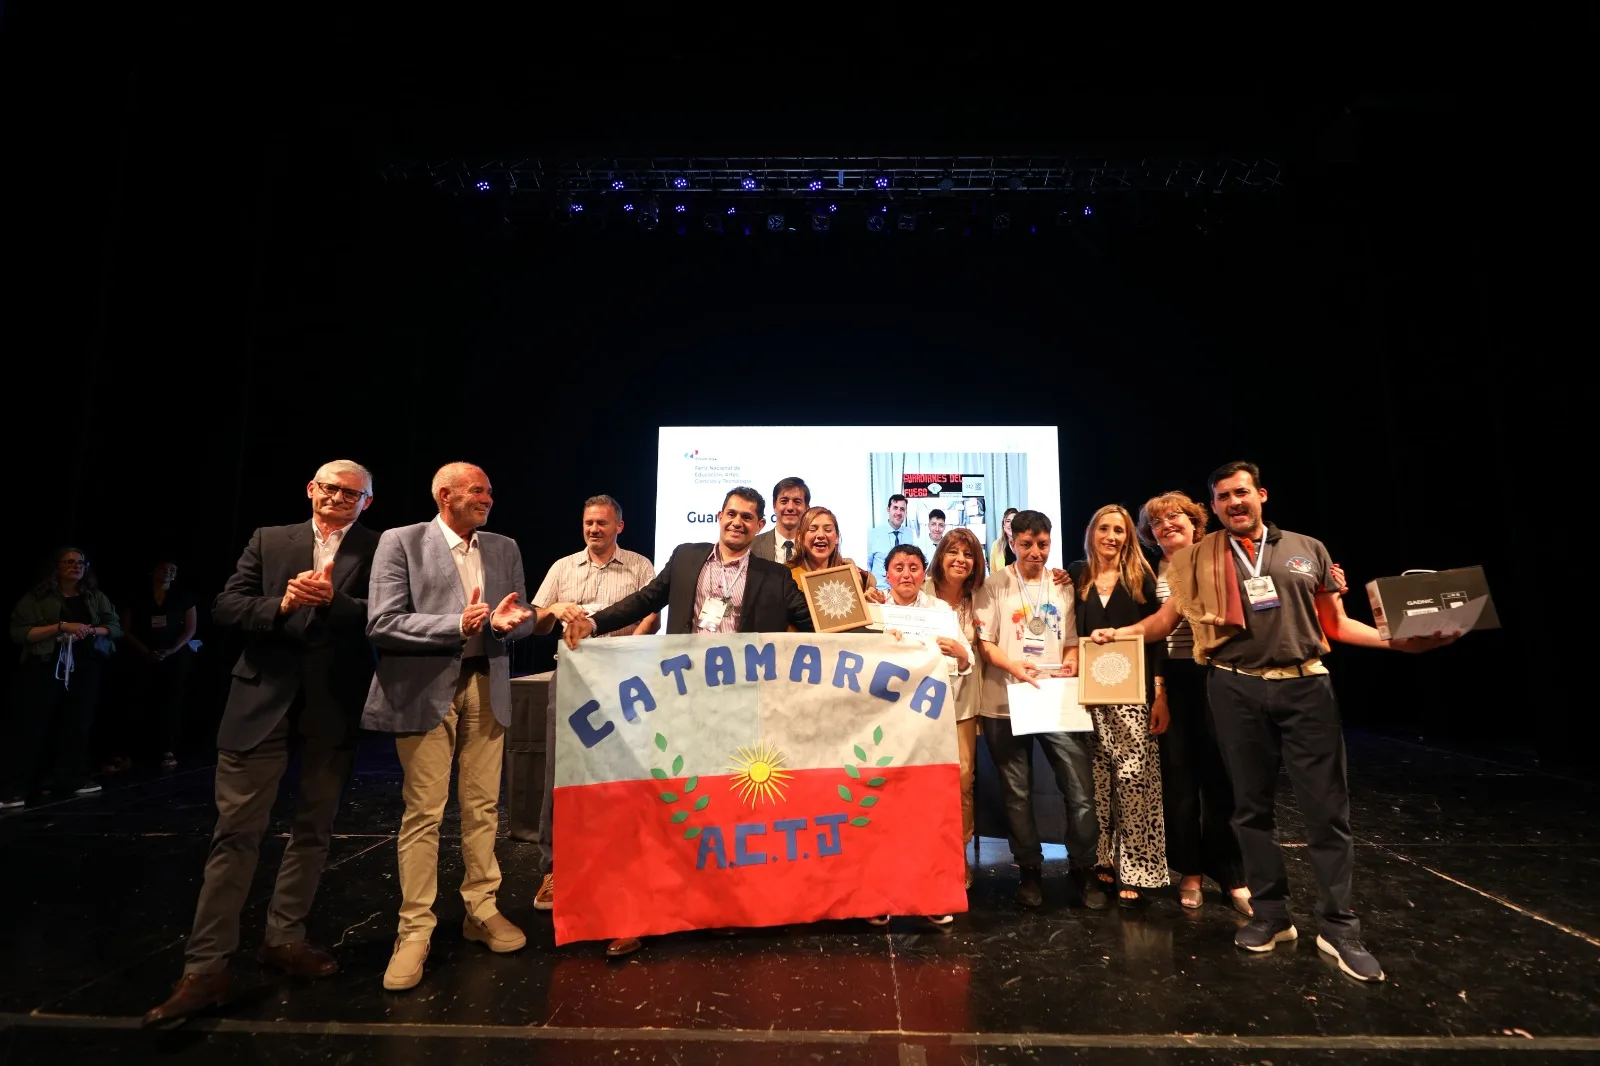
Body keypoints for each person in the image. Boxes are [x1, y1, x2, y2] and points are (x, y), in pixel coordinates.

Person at [1098, 462, 1457, 983]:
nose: (1233, 503)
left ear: (1261, 495)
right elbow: (1164, 620)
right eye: (1223, 497)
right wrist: (1119, 634)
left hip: (1305, 684)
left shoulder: (1308, 549)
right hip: (1234, 686)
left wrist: (1396, 641)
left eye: (1241, 493)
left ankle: (1338, 926)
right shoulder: (1198, 558)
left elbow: (1336, 623)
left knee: (1326, 811)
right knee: (1249, 809)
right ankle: (1271, 915)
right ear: (1214, 506)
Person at [142, 461, 378, 1027]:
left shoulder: (382, 546)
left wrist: (332, 603)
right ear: (310, 490)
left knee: (313, 832)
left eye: (353, 494)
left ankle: (284, 939)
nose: (338, 499)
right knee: (235, 836)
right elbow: (226, 606)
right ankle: (205, 970)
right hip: (258, 704)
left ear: (368, 502)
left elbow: (388, 617)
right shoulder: (271, 540)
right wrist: (285, 606)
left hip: (331, 707)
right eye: (329, 489)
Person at [363, 462, 537, 993]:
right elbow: (382, 621)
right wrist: (455, 624)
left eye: (488, 490)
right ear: (445, 495)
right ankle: (415, 929)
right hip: (425, 690)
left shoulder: (504, 547)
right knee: (425, 812)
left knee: (484, 806)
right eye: (476, 490)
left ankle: (480, 909)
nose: (487, 497)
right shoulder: (401, 541)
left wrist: (517, 623)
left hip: (489, 684)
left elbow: (519, 614)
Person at [527, 494, 659, 959]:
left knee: (625, 772)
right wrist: (555, 611)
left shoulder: (640, 566)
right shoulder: (563, 568)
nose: (594, 529)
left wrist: (622, 652)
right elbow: (536, 622)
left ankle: (625, 866)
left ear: (620, 526)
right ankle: (554, 867)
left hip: (625, 678)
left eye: (602, 522)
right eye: (588, 522)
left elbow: (651, 614)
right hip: (574, 677)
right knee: (561, 769)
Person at [971, 510, 1104, 910]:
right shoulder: (994, 585)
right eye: (1026, 544)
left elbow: (1072, 641)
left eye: (1042, 544)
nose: (1035, 552)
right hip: (1005, 700)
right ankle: (1029, 869)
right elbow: (986, 643)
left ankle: (1083, 868)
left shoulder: (1063, 585)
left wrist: (1072, 663)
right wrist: (1014, 666)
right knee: (1017, 793)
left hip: (1054, 699)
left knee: (1079, 791)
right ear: (1011, 542)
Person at [1135, 491, 1250, 915]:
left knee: (1223, 781)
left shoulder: (1222, 557)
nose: (1168, 524)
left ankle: (1233, 875)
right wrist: (1160, 693)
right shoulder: (1147, 572)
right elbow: (1155, 638)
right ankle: (1190, 872)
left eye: (1176, 516)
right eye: (1158, 521)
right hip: (1176, 681)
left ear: (1194, 521)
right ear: (1150, 533)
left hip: (1222, 674)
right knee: (1180, 785)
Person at [864, 542, 972, 927]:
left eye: (913, 567)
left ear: (923, 572)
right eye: (898, 567)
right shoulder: (873, 613)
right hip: (885, 725)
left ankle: (931, 895)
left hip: (930, 725)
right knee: (882, 809)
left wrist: (960, 651)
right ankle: (879, 896)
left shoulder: (940, 612)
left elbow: (965, 662)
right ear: (887, 574)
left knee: (927, 810)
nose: (906, 574)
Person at [1067, 505, 1167, 908]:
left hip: (1132, 695)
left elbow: (1156, 636)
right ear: (1092, 532)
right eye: (1104, 529)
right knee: (1097, 782)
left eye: (1120, 531)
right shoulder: (1075, 574)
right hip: (1087, 696)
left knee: (1134, 780)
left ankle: (1138, 867)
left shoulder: (1142, 576)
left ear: (1129, 536)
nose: (1112, 536)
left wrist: (1160, 692)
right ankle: (1102, 860)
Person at [566, 487, 813, 644]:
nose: (737, 522)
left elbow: (812, 620)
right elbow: (644, 600)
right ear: (720, 517)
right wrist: (594, 622)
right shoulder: (686, 557)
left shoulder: (776, 577)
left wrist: (848, 594)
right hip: (684, 679)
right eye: (731, 514)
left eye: (747, 517)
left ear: (759, 525)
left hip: (744, 685)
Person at [5, 547, 123, 807]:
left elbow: (114, 628)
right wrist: (60, 627)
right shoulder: (38, 597)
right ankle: (17, 787)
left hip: (84, 668)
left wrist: (90, 630)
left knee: (77, 724)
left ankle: (73, 778)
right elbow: (19, 632)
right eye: (69, 562)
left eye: (80, 562)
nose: (75, 566)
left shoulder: (94, 597)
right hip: (46, 666)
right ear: (57, 567)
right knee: (32, 726)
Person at [925, 527, 985, 888]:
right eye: (953, 552)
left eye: (967, 554)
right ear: (940, 557)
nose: (960, 560)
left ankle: (958, 855)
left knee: (963, 778)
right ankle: (926, 854)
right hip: (921, 704)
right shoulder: (920, 591)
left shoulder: (981, 596)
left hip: (965, 698)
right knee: (926, 777)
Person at [114, 557, 198, 771]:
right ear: (154, 571)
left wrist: (170, 651)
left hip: (175, 655)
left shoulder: (184, 597)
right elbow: (125, 627)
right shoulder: (136, 596)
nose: (168, 572)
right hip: (140, 653)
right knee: (136, 699)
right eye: (164, 568)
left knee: (171, 701)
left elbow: (190, 629)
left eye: (173, 569)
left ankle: (167, 749)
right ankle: (129, 752)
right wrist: (145, 651)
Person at [786, 505, 881, 605]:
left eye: (828, 530)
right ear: (800, 537)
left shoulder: (853, 576)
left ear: (836, 537)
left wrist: (869, 603)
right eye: (813, 529)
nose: (821, 535)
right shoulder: (788, 578)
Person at [750, 476, 810, 565]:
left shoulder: (814, 548)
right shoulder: (752, 546)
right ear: (774, 506)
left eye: (797, 502)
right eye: (784, 501)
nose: (790, 507)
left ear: (806, 508)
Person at [866, 493, 910, 586]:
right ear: (888, 509)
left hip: (902, 590)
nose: (898, 513)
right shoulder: (874, 534)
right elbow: (867, 565)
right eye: (895, 508)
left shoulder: (910, 534)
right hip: (880, 589)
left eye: (902, 509)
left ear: (905, 512)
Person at [989, 507, 1019, 574]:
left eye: (1014, 521)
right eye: (1008, 521)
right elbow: (993, 573)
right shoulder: (996, 545)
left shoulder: (1025, 544)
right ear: (1003, 525)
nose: (1011, 524)